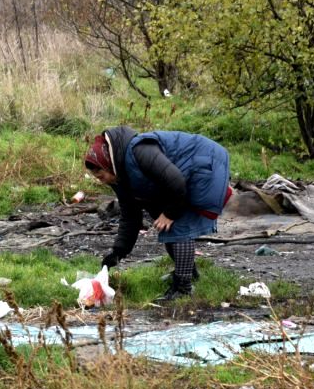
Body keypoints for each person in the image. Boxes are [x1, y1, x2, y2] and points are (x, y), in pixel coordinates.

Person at [84, 126, 232, 299]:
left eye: (101, 176)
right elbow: (130, 215)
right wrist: (118, 252)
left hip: (206, 163)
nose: (102, 182)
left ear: (108, 164)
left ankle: (183, 288)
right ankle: (187, 273)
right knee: (166, 225)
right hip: (181, 178)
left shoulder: (140, 152)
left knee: (178, 225)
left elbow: (176, 182)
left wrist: (169, 213)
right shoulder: (119, 177)